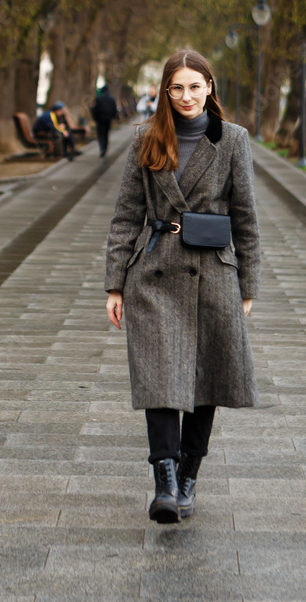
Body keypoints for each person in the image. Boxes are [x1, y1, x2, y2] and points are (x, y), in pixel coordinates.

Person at [104, 50, 261, 524]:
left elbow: (246, 218)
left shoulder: (233, 140)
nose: (187, 96)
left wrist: (248, 285)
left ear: (210, 87)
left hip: (214, 272)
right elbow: (126, 215)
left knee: (206, 376)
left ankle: (189, 474)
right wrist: (114, 284)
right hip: (153, 274)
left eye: (195, 86)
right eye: (177, 88)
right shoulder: (146, 140)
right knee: (158, 380)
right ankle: (165, 481)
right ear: (165, 93)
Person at [90, 84, 119, 157]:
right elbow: (114, 110)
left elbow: (94, 110)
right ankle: (105, 149)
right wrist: (112, 117)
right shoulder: (112, 99)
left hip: (100, 120)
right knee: (106, 134)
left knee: (100, 134)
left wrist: (95, 118)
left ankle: (102, 148)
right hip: (108, 119)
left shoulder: (98, 99)